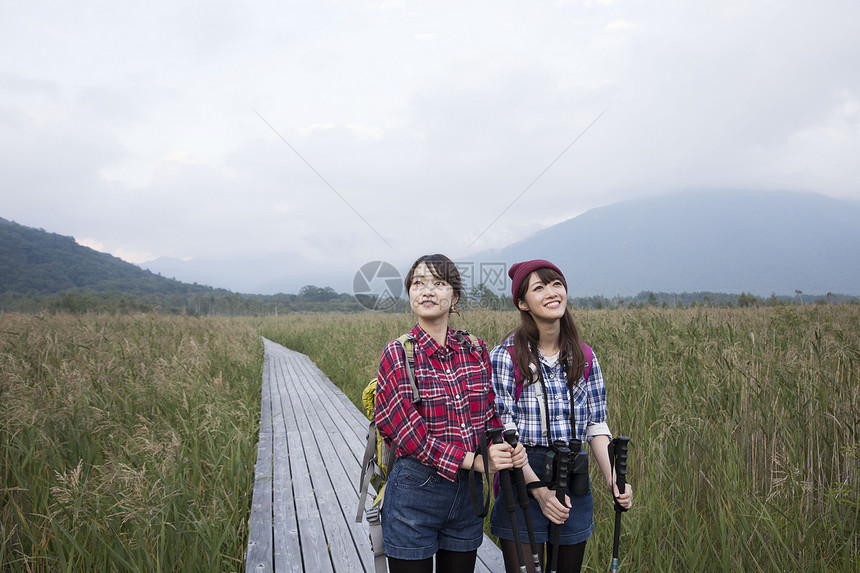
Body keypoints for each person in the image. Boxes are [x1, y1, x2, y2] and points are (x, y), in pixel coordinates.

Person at [375, 253, 526, 573]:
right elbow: (410, 435)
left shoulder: (475, 348)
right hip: (414, 493)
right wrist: (474, 460)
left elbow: (487, 415)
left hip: (467, 497)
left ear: (454, 295)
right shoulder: (399, 352)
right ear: (410, 294)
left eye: (438, 283)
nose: (427, 291)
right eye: (418, 284)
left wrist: (502, 443)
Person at [489, 259, 633, 573]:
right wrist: (539, 491)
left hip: (573, 474)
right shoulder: (507, 356)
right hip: (523, 476)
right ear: (523, 303)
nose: (552, 292)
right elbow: (505, 430)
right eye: (539, 287)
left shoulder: (584, 355)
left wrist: (613, 479)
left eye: (556, 284)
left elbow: (596, 426)